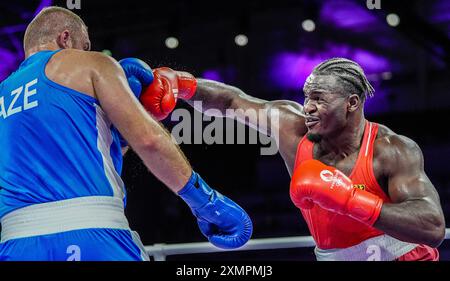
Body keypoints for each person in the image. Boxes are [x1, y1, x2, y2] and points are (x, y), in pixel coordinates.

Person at [0, 6, 252, 261]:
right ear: (65, 39)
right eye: (85, 46)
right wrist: (204, 200)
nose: (88, 52)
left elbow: (81, 158)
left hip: (15, 242)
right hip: (93, 232)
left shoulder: (2, 93)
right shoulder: (91, 65)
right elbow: (149, 140)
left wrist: (118, 137)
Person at [149, 58, 446, 261]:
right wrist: (181, 85)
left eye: (319, 99)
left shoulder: (391, 150)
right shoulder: (291, 128)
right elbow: (229, 102)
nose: (308, 108)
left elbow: (432, 229)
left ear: (352, 104)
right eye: (306, 97)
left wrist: (352, 201)